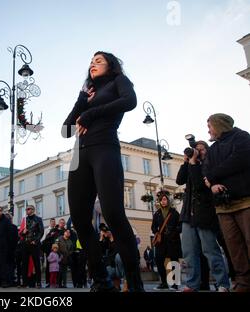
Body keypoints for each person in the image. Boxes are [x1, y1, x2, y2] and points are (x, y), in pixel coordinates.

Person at [61, 51, 142, 292]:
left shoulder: (119, 82)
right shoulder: (88, 93)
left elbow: (131, 102)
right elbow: (66, 130)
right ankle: (101, 281)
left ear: (110, 65)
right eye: (90, 62)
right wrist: (81, 101)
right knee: (80, 220)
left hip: (105, 149)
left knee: (114, 214)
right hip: (80, 156)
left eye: (98, 61)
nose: (92, 64)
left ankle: (136, 284)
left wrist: (91, 112)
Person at [203, 113, 250, 292]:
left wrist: (213, 176)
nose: (208, 130)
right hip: (223, 206)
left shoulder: (242, 137)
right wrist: (213, 184)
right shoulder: (213, 149)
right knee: (234, 248)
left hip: (245, 201)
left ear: (219, 125)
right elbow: (206, 169)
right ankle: (243, 283)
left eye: (210, 126)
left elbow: (239, 160)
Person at [176, 140, 230, 292]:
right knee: (189, 252)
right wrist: (186, 162)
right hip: (188, 213)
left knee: (210, 250)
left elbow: (199, 186)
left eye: (201, 150)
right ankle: (192, 284)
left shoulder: (209, 166)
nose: (198, 152)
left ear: (207, 151)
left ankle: (222, 284)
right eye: (196, 150)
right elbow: (179, 180)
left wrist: (193, 163)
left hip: (204, 213)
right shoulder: (191, 164)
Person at [151, 191, 182, 290]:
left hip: (173, 240)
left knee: (174, 261)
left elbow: (180, 225)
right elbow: (153, 226)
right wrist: (156, 232)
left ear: (168, 201)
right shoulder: (157, 213)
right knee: (159, 260)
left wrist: (175, 232)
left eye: (165, 199)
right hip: (161, 241)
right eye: (161, 200)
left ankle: (175, 284)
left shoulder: (174, 212)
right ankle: (164, 283)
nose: (163, 201)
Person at [19, 205, 44, 288]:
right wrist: (23, 232)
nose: (27, 210)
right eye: (26, 209)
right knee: (24, 264)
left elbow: (41, 231)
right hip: (25, 244)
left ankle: (38, 282)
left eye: (28, 209)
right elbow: (21, 233)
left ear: (33, 210)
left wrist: (36, 241)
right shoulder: (25, 220)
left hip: (34, 244)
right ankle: (25, 283)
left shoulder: (38, 219)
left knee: (36, 263)